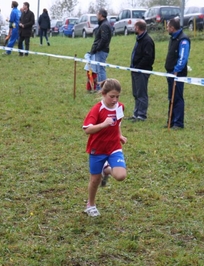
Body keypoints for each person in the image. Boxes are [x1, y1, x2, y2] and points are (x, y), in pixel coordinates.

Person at [82, 79, 128, 217]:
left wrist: (119, 135)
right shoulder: (97, 109)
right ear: (103, 93)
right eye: (111, 96)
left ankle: (106, 169)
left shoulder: (120, 107)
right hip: (97, 149)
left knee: (121, 176)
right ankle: (90, 205)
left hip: (114, 147)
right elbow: (87, 129)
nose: (115, 100)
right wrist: (103, 124)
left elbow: (118, 123)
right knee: (95, 180)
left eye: (117, 96)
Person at [164, 18, 191, 129]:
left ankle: (178, 123)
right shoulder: (173, 38)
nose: (166, 28)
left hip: (177, 73)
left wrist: (177, 69)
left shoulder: (183, 40)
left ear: (172, 28)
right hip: (170, 72)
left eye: (168, 27)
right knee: (171, 97)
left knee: (178, 97)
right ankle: (170, 121)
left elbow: (183, 57)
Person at [128, 20, 155, 123]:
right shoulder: (139, 39)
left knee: (141, 93)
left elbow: (148, 57)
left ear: (138, 28)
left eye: (135, 27)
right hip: (135, 70)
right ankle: (136, 113)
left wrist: (138, 67)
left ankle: (141, 115)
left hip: (142, 71)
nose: (134, 28)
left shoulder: (147, 40)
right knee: (136, 93)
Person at [90, 8, 112, 91]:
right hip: (101, 50)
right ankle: (100, 87)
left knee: (101, 70)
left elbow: (104, 39)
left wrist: (97, 48)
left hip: (102, 51)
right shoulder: (103, 24)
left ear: (101, 15)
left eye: (97, 14)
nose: (96, 15)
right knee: (99, 69)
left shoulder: (104, 25)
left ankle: (102, 88)